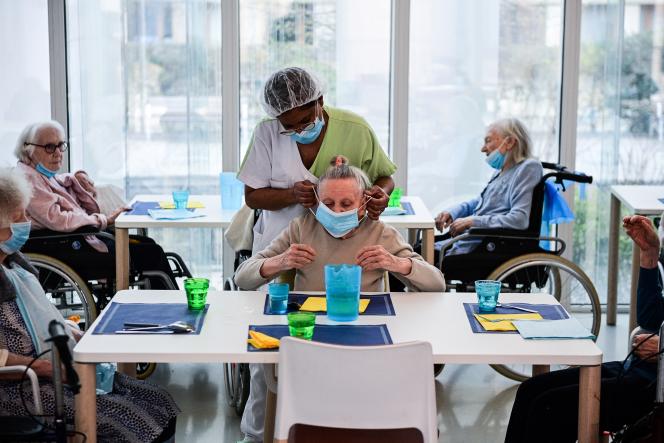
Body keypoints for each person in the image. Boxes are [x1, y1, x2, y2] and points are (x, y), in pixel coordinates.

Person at [236, 67, 397, 442]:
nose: (297, 129)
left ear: (320, 102)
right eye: (288, 126)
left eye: (305, 120)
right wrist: (294, 194)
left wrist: (382, 195)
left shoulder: (355, 128)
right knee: (269, 349)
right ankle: (258, 433)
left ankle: (329, 425)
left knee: (338, 340)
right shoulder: (266, 133)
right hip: (282, 245)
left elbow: (386, 176)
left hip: (338, 250)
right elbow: (253, 196)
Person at [0, 167, 180, 442]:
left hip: (59, 368)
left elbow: (44, 317)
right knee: (139, 419)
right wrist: (49, 369)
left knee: (160, 401)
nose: (27, 222)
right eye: (20, 217)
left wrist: (85, 340)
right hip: (24, 388)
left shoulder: (16, 265)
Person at [505, 214, 663, 443]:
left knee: (548, 407)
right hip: (641, 370)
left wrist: (662, 347)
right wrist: (649, 254)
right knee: (530, 390)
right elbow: (650, 319)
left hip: (655, 389)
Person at [235, 155, 445, 292]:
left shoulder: (380, 233)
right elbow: (242, 278)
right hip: (312, 323)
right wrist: (281, 261)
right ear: (317, 203)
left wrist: (396, 263)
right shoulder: (301, 228)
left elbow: (437, 284)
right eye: (328, 203)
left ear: (363, 203)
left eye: (346, 204)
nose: (336, 211)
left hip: (365, 322)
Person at [14, 121, 178, 288]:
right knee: (152, 254)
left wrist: (75, 176)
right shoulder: (28, 180)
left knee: (148, 243)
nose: (58, 153)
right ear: (28, 149)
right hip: (63, 247)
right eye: (49, 147)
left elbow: (54, 187)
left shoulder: (37, 174)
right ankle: (171, 309)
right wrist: (103, 220)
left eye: (61, 145)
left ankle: (164, 307)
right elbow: (58, 219)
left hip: (70, 242)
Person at [433, 118, 543, 264]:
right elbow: (479, 202)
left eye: (488, 140)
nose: (483, 149)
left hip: (485, 247)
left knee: (411, 258)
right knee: (413, 251)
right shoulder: (501, 171)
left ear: (509, 142)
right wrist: (452, 213)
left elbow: (519, 220)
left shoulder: (528, 168)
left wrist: (472, 221)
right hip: (469, 242)